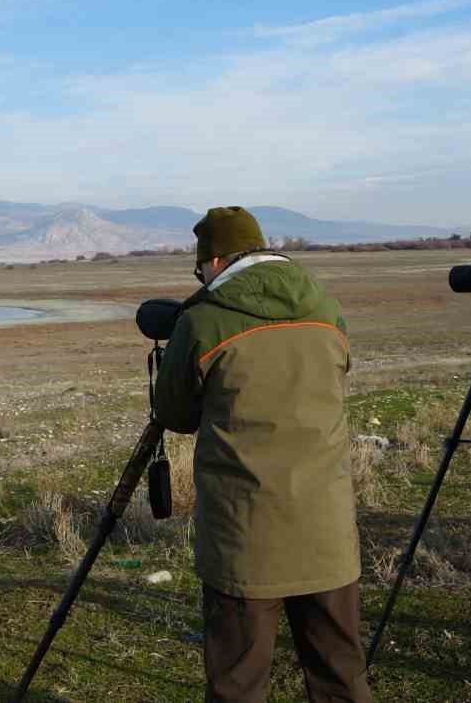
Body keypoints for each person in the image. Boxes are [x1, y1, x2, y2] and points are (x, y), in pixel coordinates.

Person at [153, 205, 370, 703]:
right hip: (327, 526)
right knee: (341, 671)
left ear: (212, 262)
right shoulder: (326, 309)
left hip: (245, 534)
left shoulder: (204, 321)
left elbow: (177, 415)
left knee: (239, 681)